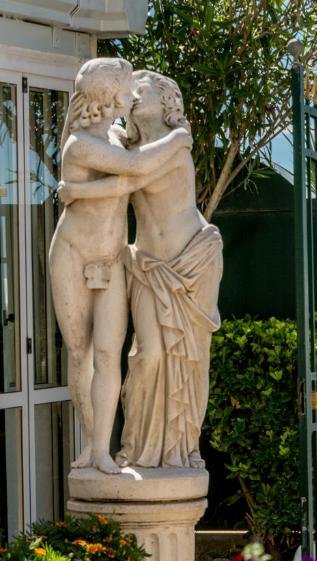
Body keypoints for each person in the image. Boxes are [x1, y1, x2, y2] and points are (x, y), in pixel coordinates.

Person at [59, 69, 221, 469]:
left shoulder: (175, 145)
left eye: (141, 90)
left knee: (190, 357)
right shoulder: (124, 145)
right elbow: (126, 167)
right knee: (148, 355)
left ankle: (183, 447)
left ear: (166, 100)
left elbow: (134, 177)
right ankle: (138, 446)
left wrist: (77, 191)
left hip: (193, 258)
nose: (132, 96)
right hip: (148, 264)